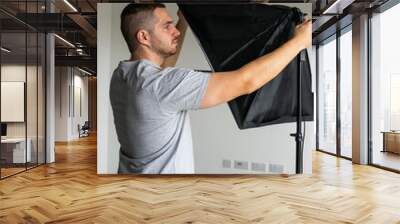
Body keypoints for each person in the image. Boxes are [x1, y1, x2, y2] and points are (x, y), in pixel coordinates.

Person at [110, 3, 312, 174]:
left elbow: (164, 68)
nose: (176, 31)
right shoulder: (162, 84)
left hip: (133, 185)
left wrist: (185, 22)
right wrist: (298, 42)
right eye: (167, 26)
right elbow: (246, 81)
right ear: (144, 37)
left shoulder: (123, 75)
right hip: (165, 196)